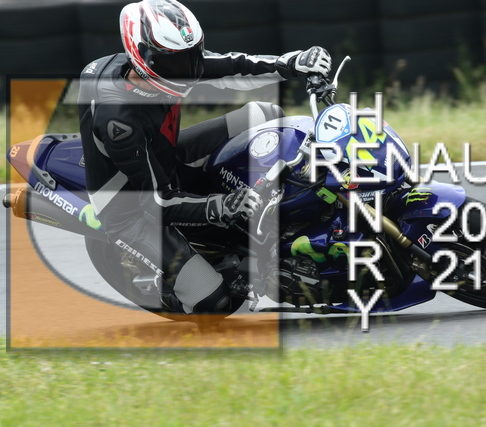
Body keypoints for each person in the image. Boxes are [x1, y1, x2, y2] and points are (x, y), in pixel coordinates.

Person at [78, 0, 331, 317]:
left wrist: (291, 63)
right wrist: (224, 205)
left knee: (267, 115)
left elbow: (233, 65)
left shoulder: (168, 62)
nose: (186, 70)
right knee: (215, 303)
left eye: (191, 56)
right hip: (131, 205)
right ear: (140, 56)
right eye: (175, 62)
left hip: (164, 153)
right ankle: (169, 288)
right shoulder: (120, 121)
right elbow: (155, 203)